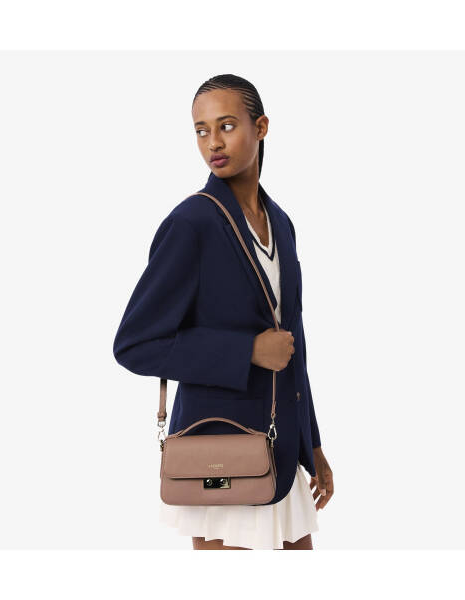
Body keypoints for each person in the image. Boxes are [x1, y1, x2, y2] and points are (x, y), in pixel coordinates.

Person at [113, 74, 334, 550]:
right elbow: (134, 344)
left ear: (261, 127)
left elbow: (294, 343)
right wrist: (246, 351)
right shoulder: (191, 222)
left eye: (227, 126)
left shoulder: (282, 223)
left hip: (281, 450)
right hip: (222, 455)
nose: (213, 142)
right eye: (201, 130)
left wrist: (312, 445)